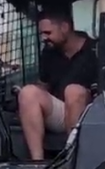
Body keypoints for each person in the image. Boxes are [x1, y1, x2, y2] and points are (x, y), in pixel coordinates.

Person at [18, 9, 99, 161]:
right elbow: (44, 85)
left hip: (92, 114)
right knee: (28, 93)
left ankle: (74, 158)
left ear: (64, 28)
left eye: (48, 33)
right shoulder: (48, 53)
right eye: (42, 33)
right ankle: (37, 162)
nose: (44, 38)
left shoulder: (96, 49)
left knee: (73, 91)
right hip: (62, 112)